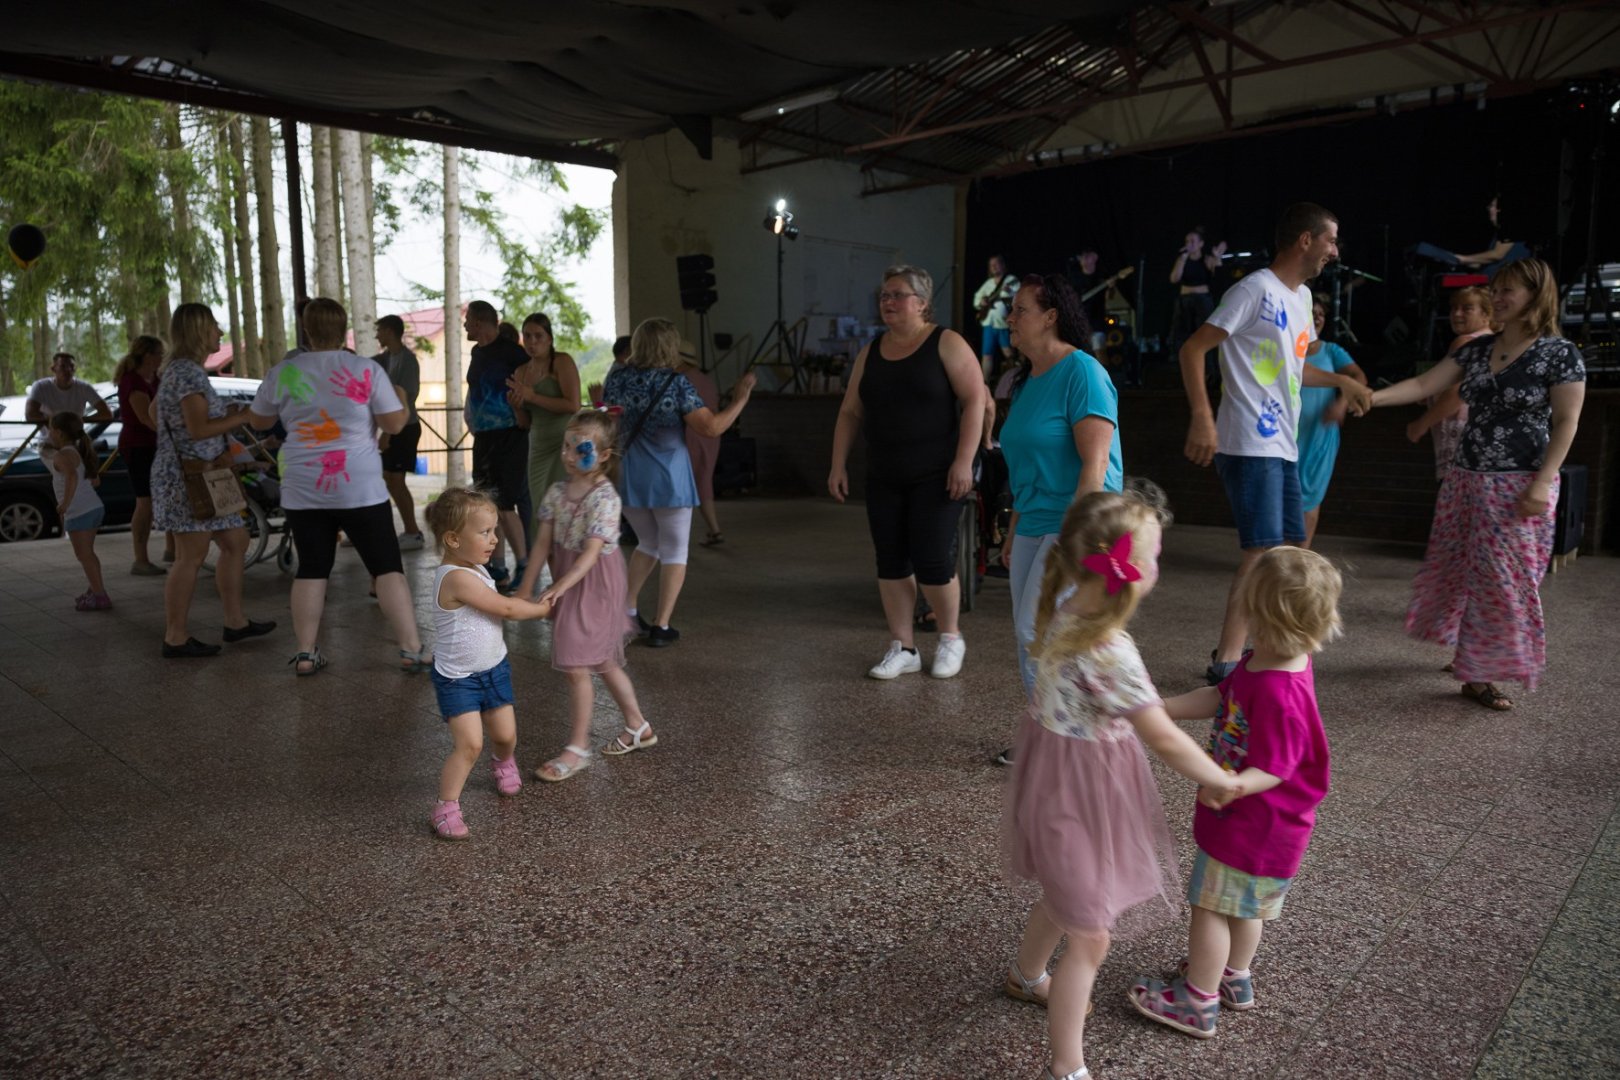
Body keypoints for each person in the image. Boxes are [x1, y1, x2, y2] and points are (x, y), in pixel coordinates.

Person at [1002, 488, 1242, 1080]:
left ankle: (1026, 974)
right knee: (1091, 937)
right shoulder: (1110, 649)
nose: (1159, 564)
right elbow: (1163, 737)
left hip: (1055, 790)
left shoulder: (1064, 608)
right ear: (1127, 572)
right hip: (1082, 797)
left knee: (1067, 892)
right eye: (1154, 554)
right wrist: (1220, 777)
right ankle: (1067, 1067)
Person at [1128, 545, 1341, 1040]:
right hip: (1268, 826)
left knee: (1210, 907)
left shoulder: (1282, 692)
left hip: (1253, 825)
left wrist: (1233, 785)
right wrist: (1161, 709)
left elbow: (1276, 767)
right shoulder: (1268, 660)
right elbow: (1220, 697)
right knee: (1245, 908)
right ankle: (1233, 976)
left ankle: (1197, 1001)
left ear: (1259, 612)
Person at [1367, 258, 1584, 710]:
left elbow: (1567, 422)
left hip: (1521, 483)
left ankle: (1479, 668)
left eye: (1508, 291)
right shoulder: (1478, 349)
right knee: (1470, 573)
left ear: (1535, 295)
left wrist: (1543, 481)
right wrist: (1371, 398)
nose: (1498, 298)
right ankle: (1474, 667)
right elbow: (1424, 383)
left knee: (1506, 578)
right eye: (1496, 289)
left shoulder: (1559, 354)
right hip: (1466, 479)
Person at [1179, 203, 1372, 686]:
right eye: (1330, 240)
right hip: (1249, 441)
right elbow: (1193, 348)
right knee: (1262, 551)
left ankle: (1261, 648)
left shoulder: (1302, 298)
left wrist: (1342, 382)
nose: (1335, 251)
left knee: (1286, 549)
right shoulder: (1254, 289)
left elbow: (1296, 368)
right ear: (1305, 240)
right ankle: (1227, 661)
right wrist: (1202, 417)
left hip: (1283, 445)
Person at [247, 297, 429, 676]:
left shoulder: (284, 371)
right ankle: (411, 649)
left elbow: (259, 421)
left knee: (312, 568)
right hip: (359, 486)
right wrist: (401, 399)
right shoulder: (364, 369)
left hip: (303, 485)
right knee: (386, 566)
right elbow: (395, 424)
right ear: (343, 329)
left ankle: (305, 653)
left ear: (307, 330)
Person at [828, 265, 985, 680]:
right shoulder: (871, 351)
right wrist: (837, 464)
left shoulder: (946, 342)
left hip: (937, 473)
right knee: (891, 561)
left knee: (932, 557)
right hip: (885, 473)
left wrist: (963, 460)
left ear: (922, 302)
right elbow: (850, 411)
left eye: (897, 294)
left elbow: (975, 401)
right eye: (884, 295)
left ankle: (950, 637)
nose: (888, 302)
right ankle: (904, 647)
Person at [604, 317, 756, 647]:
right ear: (670, 347)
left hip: (629, 477)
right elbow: (711, 427)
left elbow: (609, 422)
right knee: (674, 550)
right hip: (669, 479)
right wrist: (740, 399)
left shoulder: (617, 379)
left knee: (648, 543)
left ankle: (627, 613)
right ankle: (661, 625)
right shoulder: (677, 383)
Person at [519, 410, 654, 780]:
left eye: (579, 449)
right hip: (571, 577)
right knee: (602, 659)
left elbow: (592, 554)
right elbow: (541, 543)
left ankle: (577, 749)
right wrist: (525, 588)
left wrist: (559, 586)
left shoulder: (605, 498)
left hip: (597, 585)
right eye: (566, 446)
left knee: (577, 664)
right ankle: (638, 726)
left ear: (604, 455)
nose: (568, 455)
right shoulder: (557, 491)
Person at [423, 488, 554, 841]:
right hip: (458, 679)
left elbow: (502, 603)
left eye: (494, 530)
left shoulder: (475, 568)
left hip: (494, 669)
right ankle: (445, 807)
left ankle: (503, 761)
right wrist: (543, 610)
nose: (495, 539)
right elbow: (506, 609)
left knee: (505, 735)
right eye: (485, 532)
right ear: (453, 539)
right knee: (470, 744)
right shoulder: (456, 577)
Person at [151, 304, 276, 658]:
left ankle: (235, 622)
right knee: (190, 556)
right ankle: (175, 637)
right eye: (213, 326)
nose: (219, 332)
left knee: (236, 540)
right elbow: (198, 428)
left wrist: (220, 418)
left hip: (201, 472)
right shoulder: (187, 373)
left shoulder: (181, 371)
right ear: (197, 331)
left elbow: (154, 412)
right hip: (189, 477)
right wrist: (242, 417)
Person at [462, 300, 530, 586]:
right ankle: (498, 566)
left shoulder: (512, 353)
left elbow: (529, 387)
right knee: (487, 503)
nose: (465, 325)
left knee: (505, 503)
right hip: (484, 436)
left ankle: (525, 564)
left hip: (510, 434)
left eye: (468, 320)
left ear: (479, 322)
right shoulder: (477, 352)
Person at [506, 312, 580, 565]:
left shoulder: (561, 362)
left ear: (549, 338)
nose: (532, 341)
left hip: (565, 444)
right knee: (541, 513)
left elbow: (573, 405)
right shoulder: (521, 371)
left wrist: (532, 396)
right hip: (537, 446)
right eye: (527, 336)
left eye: (538, 336)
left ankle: (571, 573)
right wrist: (516, 406)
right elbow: (525, 422)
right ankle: (555, 575)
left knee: (564, 509)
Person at [1297, 299, 1368, 547]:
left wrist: (1342, 402)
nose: (1317, 317)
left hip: (1319, 433)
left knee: (1312, 495)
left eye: (1321, 314)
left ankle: (1301, 556)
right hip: (1286, 432)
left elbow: (1358, 377)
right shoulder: (1287, 347)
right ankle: (1277, 556)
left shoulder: (1331, 351)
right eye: (1311, 312)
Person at [1404, 286, 1494, 479]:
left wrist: (1422, 423)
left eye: (1467, 308)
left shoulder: (1465, 342)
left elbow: (1458, 392)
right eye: (1454, 308)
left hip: (1460, 439)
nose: (1456, 314)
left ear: (1486, 314)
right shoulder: (1495, 343)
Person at [114, 334, 171, 574]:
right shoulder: (132, 381)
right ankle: (141, 559)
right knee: (144, 501)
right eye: (159, 354)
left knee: (167, 494)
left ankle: (172, 549)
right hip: (138, 445)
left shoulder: (155, 378)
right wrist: (171, 436)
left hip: (156, 444)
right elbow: (146, 417)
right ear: (147, 355)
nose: (161, 358)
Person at [45, 412, 109, 610]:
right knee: (88, 554)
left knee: (84, 555)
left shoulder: (62, 455)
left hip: (79, 511)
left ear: (58, 432)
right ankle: (95, 588)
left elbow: (72, 477)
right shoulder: (77, 451)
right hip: (93, 507)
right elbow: (95, 481)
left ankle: (99, 596)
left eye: (50, 429)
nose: (49, 433)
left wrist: (65, 504)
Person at [374, 314, 424, 550]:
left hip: (405, 427)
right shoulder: (384, 359)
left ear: (389, 331)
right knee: (389, 479)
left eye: (379, 331)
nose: (377, 336)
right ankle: (409, 530)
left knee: (396, 480)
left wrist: (388, 433)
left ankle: (413, 532)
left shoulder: (408, 361)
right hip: (392, 427)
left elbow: (404, 399)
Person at [1167, 228, 1227, 390]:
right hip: (1184, 300)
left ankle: (1210, 374)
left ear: (1201, 244)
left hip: (1202, 300)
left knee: (1204, 336)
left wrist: (1217, 257)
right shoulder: (1183, 259)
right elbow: (1174, 278)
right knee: (1181, 336)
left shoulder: (1206, 259)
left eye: (1193, 241)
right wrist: (1182, 258)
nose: (1190, 244)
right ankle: (1183, 374)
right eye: (1187, 241)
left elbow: (1219, 274)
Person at [678, 349, 725, 547]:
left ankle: (684, 534)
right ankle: (714, 530)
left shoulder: (682, 380)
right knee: (703, 480)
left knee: (687, 483)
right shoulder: (705, 379)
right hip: (710, 435)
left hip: (692, 432)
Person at [25, 352, 113, 427]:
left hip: (76, 439)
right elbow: (30, 414)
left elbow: (107, 414)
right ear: (53, 369)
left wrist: (80, 421)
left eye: (71, 366)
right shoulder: (40, 386)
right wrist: (56, 424)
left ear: (75, 369)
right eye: (63, 366)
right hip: (48, 440)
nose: (68, 370)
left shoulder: (84, 387)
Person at [1455, 195, 1532, 275]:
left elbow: (1497, 255)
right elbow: (1481, 263)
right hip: (1490, 279)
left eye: (1493, 206)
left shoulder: (1511, 227)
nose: (1489, 209)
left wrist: (1463, 259)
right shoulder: (1499, 232)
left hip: (1507, 280)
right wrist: (1457, 260)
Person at [972, 254, 1019, 378]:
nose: (993, 267)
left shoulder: (1011, 280)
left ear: (1002, 265)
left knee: (1008, 354)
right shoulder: (988, 283)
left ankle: (1015, 380)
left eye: (996, 264)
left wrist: (1010, 291)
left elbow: (1020, 297)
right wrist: (981, 302)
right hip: (989, 323)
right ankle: (985, 383)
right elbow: (977, 299)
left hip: (1003, 323)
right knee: (987, 355)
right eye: (991, 265)